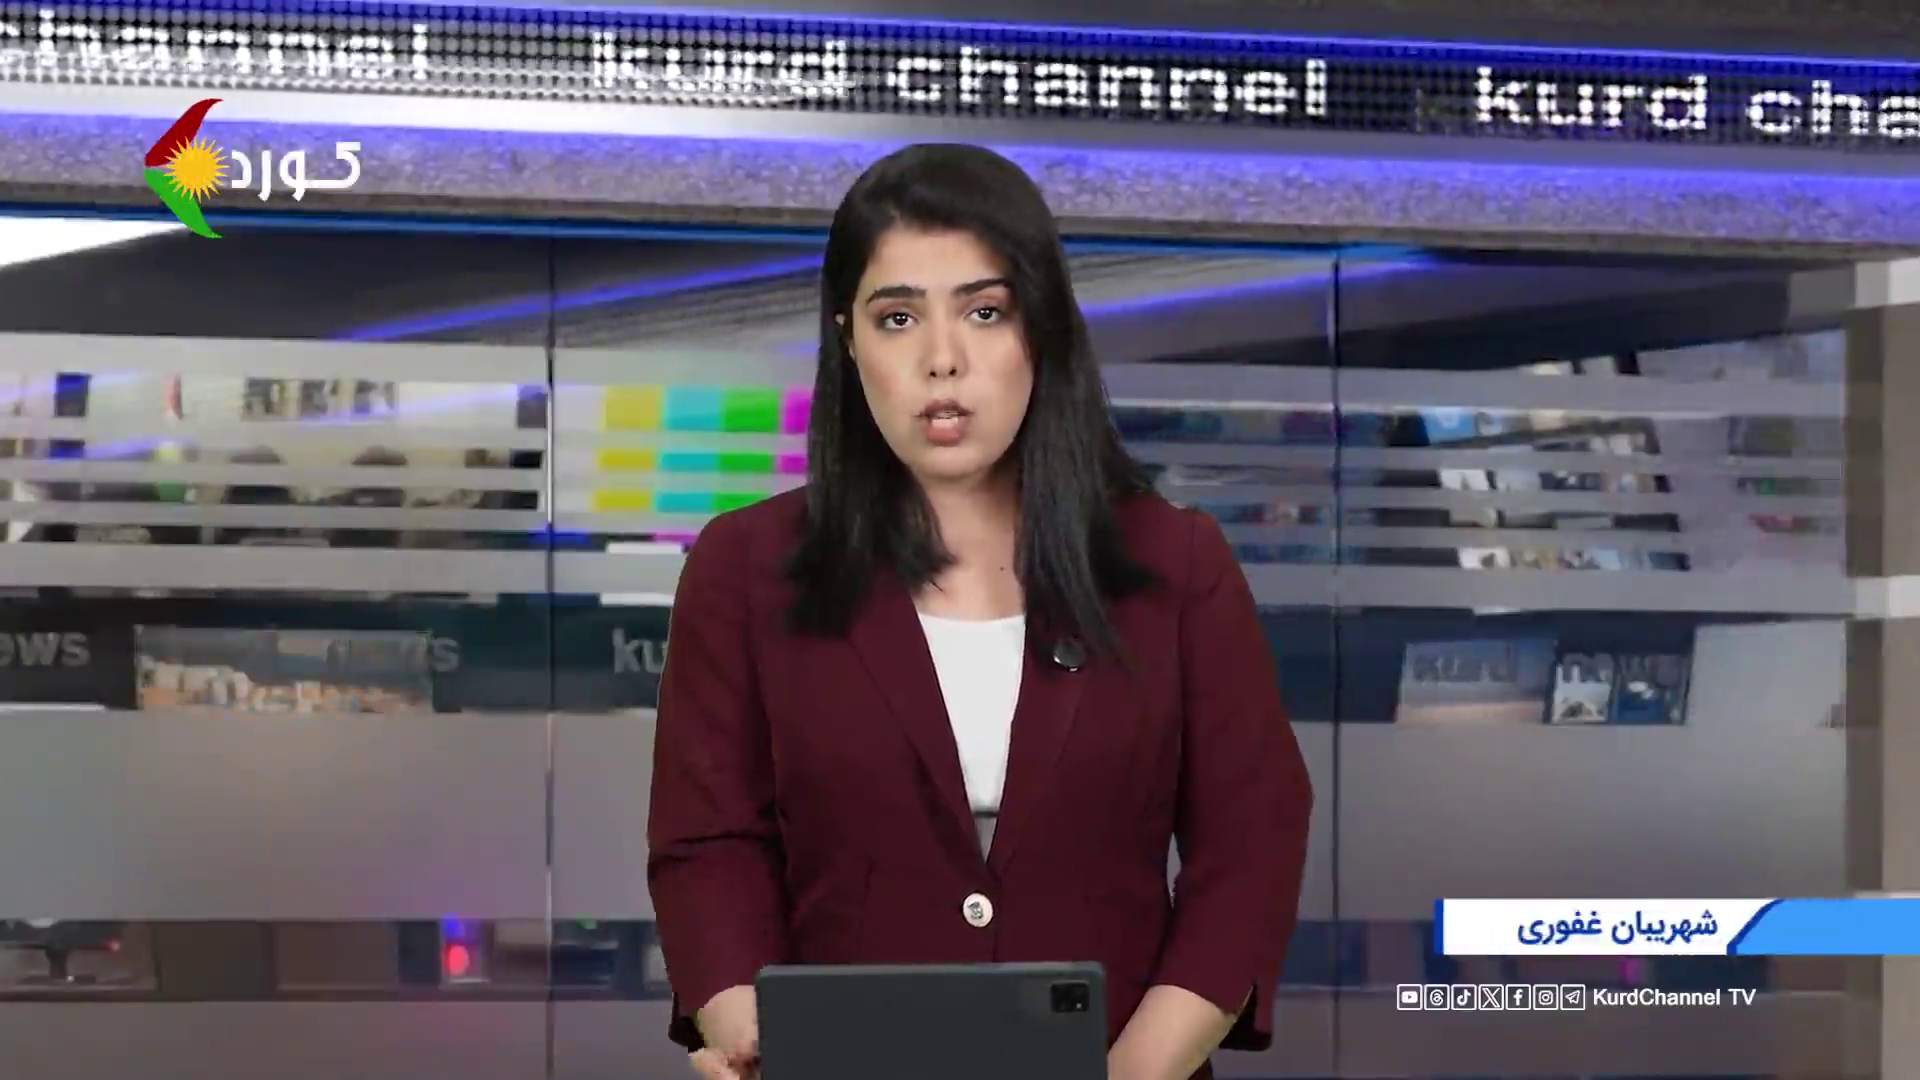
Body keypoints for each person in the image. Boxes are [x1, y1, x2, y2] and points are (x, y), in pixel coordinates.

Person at [647, 143, 1313, 1080]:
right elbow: (709, 844)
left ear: (1041, 328)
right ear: (848, 339)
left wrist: (1127, 1076)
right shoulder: (746, 567)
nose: (942, 361)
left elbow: (1250, 848)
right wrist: (749, 1033)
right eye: (897, 318)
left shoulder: (1175, 563)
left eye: (985, 311)